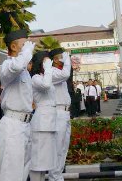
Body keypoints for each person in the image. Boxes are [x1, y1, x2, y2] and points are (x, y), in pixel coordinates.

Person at [0, 29, 35, 181]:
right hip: (13, 125)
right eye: (24, 44)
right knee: (11, 174)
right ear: (13, 47)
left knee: (22, 172)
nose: (28, 47)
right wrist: (27, 53)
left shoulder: (25, 71)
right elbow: (16, 67)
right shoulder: (7, 65)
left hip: (25, 124)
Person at [30, 51, 57, 181]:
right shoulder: (36, 78)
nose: (49, 63)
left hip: (49, 122)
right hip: (42, 123)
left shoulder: (45, 76)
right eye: (46, 61)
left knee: (45, 161)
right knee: (37, 161)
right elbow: (46, 85)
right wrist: (48, 69)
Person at [48, 48, 71, 181]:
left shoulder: (61, 72)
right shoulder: (51, 72)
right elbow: (65, 74)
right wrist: (67, 61)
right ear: (56, 60)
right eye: (62, 57)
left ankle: (58, 176)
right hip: (57, 113)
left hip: (65, 113)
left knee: (63, 148)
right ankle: (54, 177)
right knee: (57, 148)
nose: (64, 59)